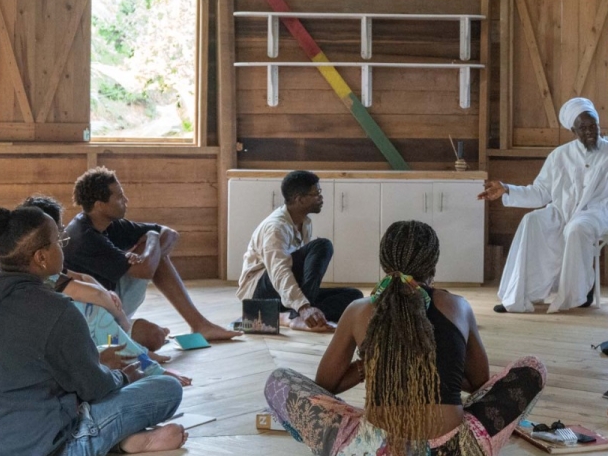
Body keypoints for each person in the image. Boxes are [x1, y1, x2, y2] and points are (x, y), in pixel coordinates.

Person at [264, 220, 546, 456]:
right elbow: (479, 386)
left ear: (384, 262)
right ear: (433, 263)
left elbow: (325, 387)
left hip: (374, 449)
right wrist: (432, 362)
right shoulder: (458, 306)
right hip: (455, 449)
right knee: (533, 368)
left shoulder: (358, 310)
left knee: (278, 381)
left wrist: (372, 363)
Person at [0, 206, 187, 456]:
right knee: (166, 388)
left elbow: (21, 367)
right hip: (31, 448)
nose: (63, 246)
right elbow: (95, 389)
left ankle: (123, 440)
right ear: (41, 257)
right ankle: (117, 441)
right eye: (59, 241)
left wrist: (95, 361)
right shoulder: (56, 310)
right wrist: (122, 377)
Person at [480, 97, 608, 313]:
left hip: (597, 214)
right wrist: (508, 189)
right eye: (583, 127)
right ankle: (524, 294)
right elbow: (541, 193)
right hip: (562, 211)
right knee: (532, 220)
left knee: (576, 229)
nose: (590, 131)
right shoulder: (559, 156)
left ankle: (579, 293)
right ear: (572, 131)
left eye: (593, 125)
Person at [22, 195, 191, 386]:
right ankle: (148, 366)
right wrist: (120, 318)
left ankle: (141, 356)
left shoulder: (33, 263)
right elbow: (91, 294)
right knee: (97, 315)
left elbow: (80, 277)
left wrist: (105, 293)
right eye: (59, 234)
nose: (125, 200)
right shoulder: (46, 272)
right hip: (54, 346)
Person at [62, 167, 238, 341]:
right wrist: (152, 238)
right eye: (119, 197)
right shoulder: (85, 237)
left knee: (154, 255)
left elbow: (170, 233)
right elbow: (145, 269)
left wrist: (151, 249)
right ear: (100, 205)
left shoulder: (109, 223)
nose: (126, 200)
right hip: (92, 313)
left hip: (110, 298)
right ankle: (198, 325)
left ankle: (200, 325)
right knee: (154, 337)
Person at [237, 170, 364, 331]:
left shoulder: (305, 222)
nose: (321, 197)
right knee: (322, 245)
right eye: (316, 193)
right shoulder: (275, 227)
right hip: (259, 292)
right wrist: (303, 307)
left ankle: (285, 315)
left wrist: (303, 302)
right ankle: (298, 315)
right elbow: (279, 272)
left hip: (283, 291)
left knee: (354, 297)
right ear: (300, 199)